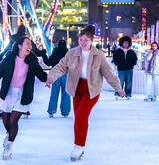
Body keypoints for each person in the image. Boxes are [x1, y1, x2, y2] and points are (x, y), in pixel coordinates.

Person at [46, 25, 125, 161]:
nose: (83, 43)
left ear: (91, 41)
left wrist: (118, 88)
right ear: (78, 40)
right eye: (81, 40)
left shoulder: (98, 55)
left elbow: (108, 72)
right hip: (76, 89)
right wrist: (51, 78)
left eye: (86, 40)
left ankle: (79, 146)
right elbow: (60, 66)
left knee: (81, 116)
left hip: (91, 90)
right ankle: (79, 144)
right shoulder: (72, 53)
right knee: (78, 118)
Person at [0, 35, 47, 160]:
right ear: (20, 46)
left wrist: (49, 79)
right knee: (6, 119)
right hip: (8, 92)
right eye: (27, 44)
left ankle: (10, 145)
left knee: (13, 120)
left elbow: (41, 75)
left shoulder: (32, 60)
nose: (30, 46)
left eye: (30, 44)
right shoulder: (9, 58)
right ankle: (9, 134)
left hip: (23, 94)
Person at [45, 39, 70, 118]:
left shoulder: (55, 51)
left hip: (56, 75)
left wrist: (44, 55)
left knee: (54, 93)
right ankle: (65, 112)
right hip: (65, 74)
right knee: (66, 94)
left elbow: (50, 62)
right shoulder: (68, 52)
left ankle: (51, 110)